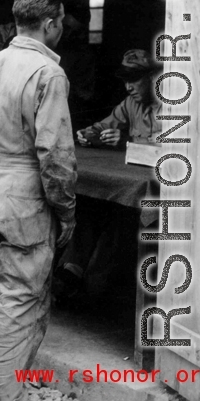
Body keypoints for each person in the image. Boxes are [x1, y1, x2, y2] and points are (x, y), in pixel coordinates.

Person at [0, 0, 77, 401]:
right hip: (25, 203)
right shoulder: (49, 74)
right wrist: (65, 211)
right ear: (49, 24)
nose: (61, 29)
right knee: (19, 309)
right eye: (61, 22)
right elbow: (55, 156)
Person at [54, 49, 161, 300]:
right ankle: (73, 272)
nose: (128, 87)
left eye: (134, 79)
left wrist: (124, 141)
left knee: (119, 218)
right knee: (91, 204)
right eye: (124, 80)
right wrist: (88, 134)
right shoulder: (130, 103)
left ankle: (92, 284)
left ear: (154, 77)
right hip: (128, 183)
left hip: (162, 192)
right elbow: (105, 125)